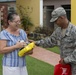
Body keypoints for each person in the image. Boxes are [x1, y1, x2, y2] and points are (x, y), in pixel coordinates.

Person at [35, 7, 76, 75]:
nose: (55, 23)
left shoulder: (74, 31)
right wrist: (36, 43)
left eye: (56, 20)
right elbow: (51, 41)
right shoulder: (58, 31)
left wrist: (66, 60)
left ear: (62, 17)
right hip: (64, 67)